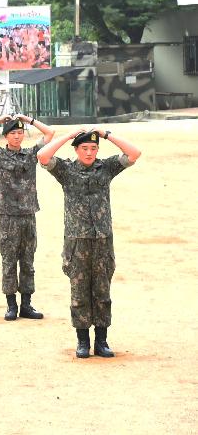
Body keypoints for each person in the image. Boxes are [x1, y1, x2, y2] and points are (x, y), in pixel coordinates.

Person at [37, 127, 141, 358]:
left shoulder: (106, 168)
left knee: (102, 291)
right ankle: (82, 341)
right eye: (84, 148)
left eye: (93, 148)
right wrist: (69, 136)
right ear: (76, 150)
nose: (89, 152)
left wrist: (106, 135)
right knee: (80, 292)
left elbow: (134, 154)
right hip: (77, 241)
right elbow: (43, 156)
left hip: (103, 239)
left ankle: (102, 341)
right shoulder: (66, 170)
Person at [0, 114, 55, 320]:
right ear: (6, 136)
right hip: (7, 217)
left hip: (28, 215)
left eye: (20, 133)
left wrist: (28, 120)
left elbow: (50, 133)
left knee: (28, 262)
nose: (17, 136)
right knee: (9, 261)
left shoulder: (31, 154)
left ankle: (27, 305)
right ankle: (11, 305)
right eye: (13, 133)